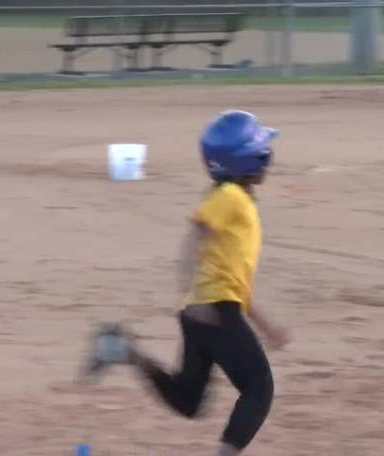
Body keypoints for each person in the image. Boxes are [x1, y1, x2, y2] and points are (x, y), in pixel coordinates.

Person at [83, 110, 290, 455]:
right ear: (248, 159)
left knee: (188, 399)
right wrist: (191, 289)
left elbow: (236, 283)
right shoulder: (230, 198)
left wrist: (266, 327)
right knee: (259, 389)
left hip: (205, 308)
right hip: (212, 308)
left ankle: (122, 350)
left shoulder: (236, 200)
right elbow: (195, 235)